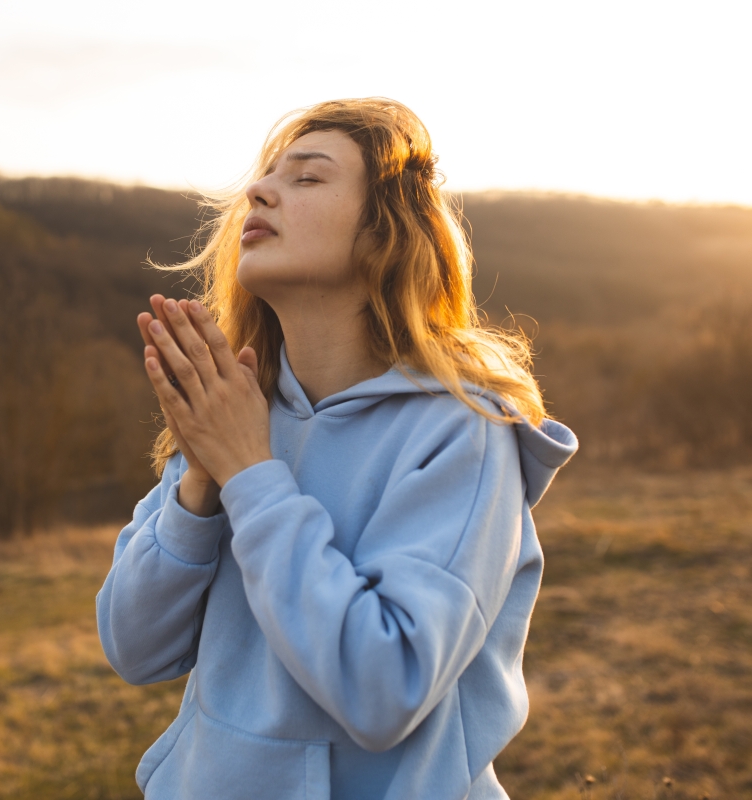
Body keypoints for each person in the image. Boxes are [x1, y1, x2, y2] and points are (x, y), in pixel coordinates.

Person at [96, 97, 577, 800]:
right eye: (264, 176)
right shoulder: (236, 406)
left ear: (385, 235)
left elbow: (386, 687)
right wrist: (203, 478)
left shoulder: (461, 432)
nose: (258, 191)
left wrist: (251, 475)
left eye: (307, 178)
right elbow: (135, 648)